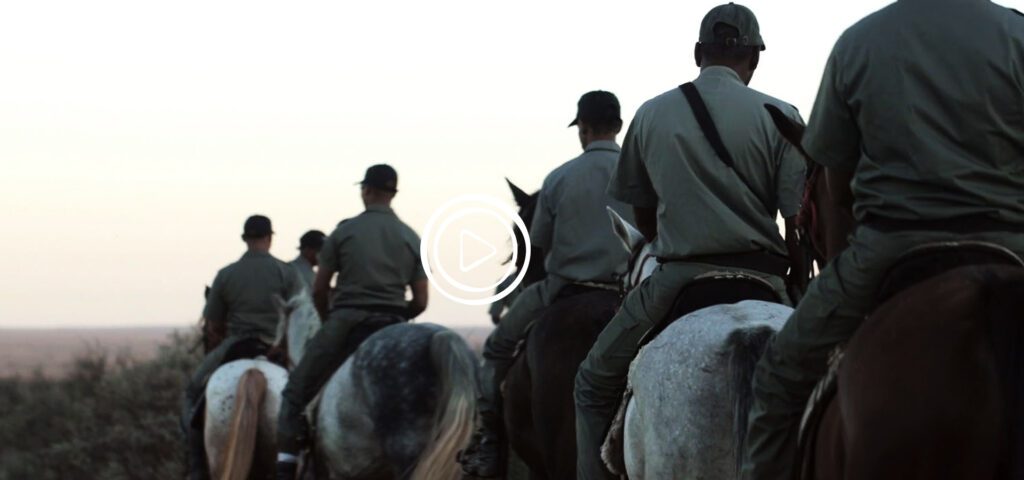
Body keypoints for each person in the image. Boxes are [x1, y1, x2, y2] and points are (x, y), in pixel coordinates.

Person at [742, 1, 1024, 478]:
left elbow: (838, 186)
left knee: (777, 378)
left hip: (890, 246)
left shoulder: (858, 42)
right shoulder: (1017, 34)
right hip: (1013, 244)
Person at [573, 4, 807, 479]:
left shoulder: (652, 113)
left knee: (592, 383)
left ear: (698, 53)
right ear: (755, 59)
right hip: (766, 275)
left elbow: (641, 210)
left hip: (678, 277)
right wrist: (799, 283)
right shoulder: (781, 114)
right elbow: (796, 219)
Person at [458, 91, 635, 478]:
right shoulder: (640, 173)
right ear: (619, 127)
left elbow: (536, 249)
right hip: (630, 296)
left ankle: (489, 439)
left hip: (562, 290)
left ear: (582, 129)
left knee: (497, 350)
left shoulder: (558, 178)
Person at [275, 164, 429, 480]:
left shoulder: (343, 233)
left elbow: (319, 289)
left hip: (348, 318)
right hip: (395, 322)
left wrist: (329, 317)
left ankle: (286, 469)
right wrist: (400, 317)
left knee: (293, 395)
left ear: (366, 191)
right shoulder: (411, 236)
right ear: (393, 194)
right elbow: (422, 301)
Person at [182, 215, 302, 480]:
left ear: (245, 239)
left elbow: (213, 325)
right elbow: (299, 318)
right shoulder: (288, 273)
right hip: (276, 348)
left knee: (192, 394)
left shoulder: (225, 275)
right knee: (309, 401)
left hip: (234, 345)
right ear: (270, 238)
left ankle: (197, 469)